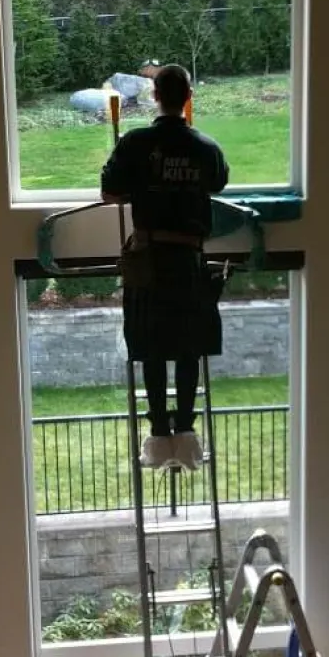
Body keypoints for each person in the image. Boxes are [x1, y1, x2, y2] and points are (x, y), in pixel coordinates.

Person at [100, 64, 230, 471]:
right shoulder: (206, 148)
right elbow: (218, 183)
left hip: (149, 259)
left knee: (151, 347)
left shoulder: (136, 144)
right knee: (188, 346)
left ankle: (158, 434)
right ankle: (187, 432)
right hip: (189, 259)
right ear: (188, 97)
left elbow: (109, 193)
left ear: (155, 95)